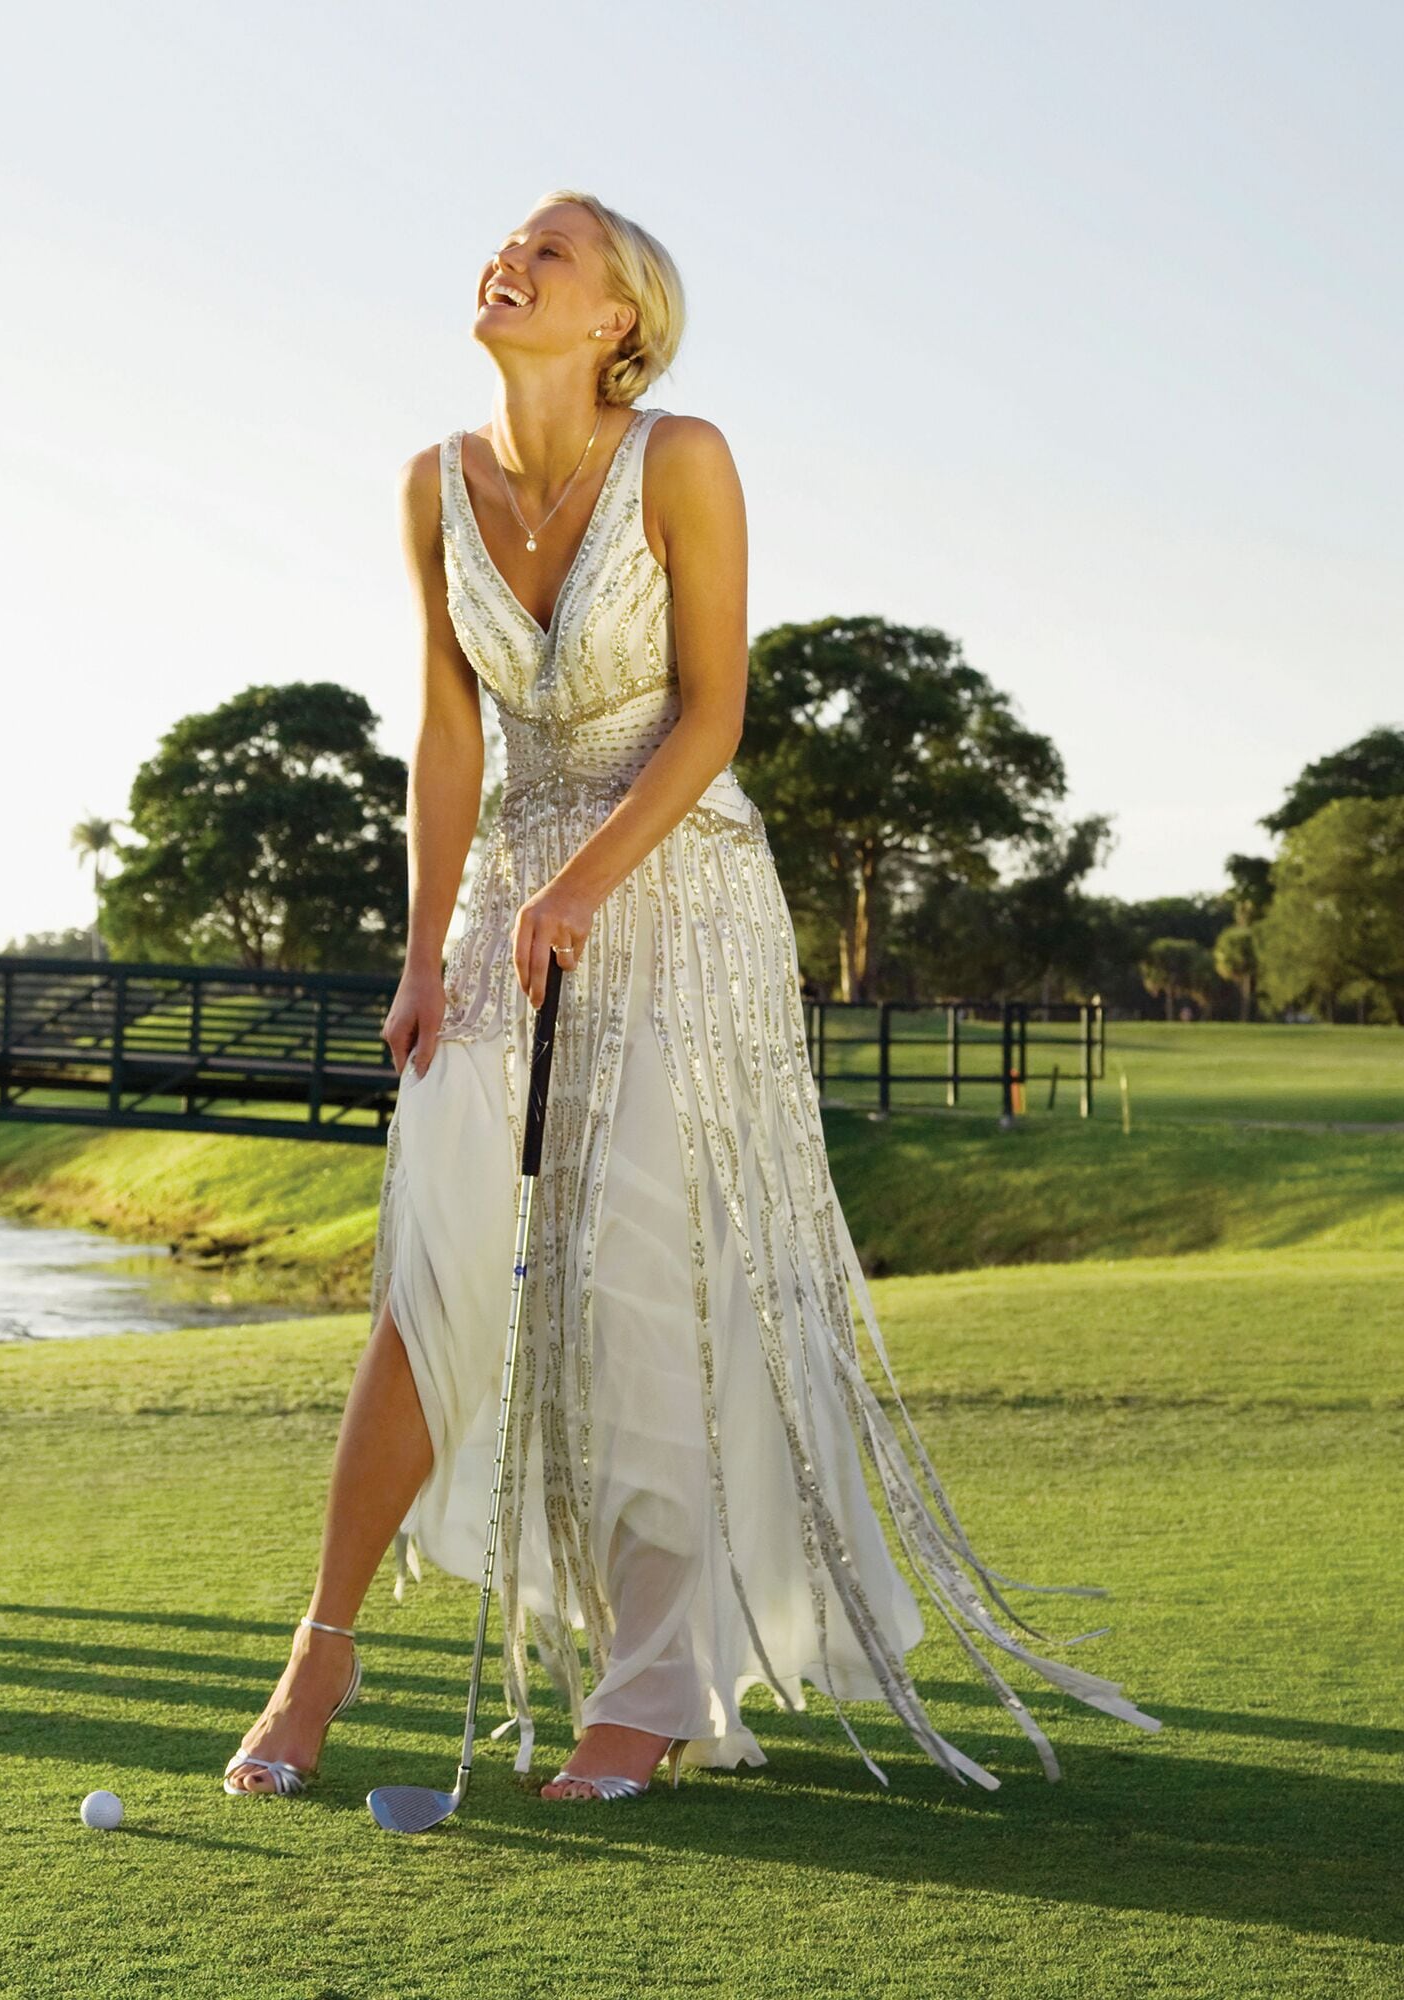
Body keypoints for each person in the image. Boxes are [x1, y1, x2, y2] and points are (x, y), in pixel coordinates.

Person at [221, 192, 1156, 1801]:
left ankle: (650, 1691)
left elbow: (715, 713)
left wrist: (592, 879)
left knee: (640, 1282)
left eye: (553, 251)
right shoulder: (431, 485)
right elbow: (449, 732)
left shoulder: (688, 457)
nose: (510, 259)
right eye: (506, 241)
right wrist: (424, 944)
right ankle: (320, 1651)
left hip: (684, 891)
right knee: (432, 1268)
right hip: (511, 899)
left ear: (620, 322)